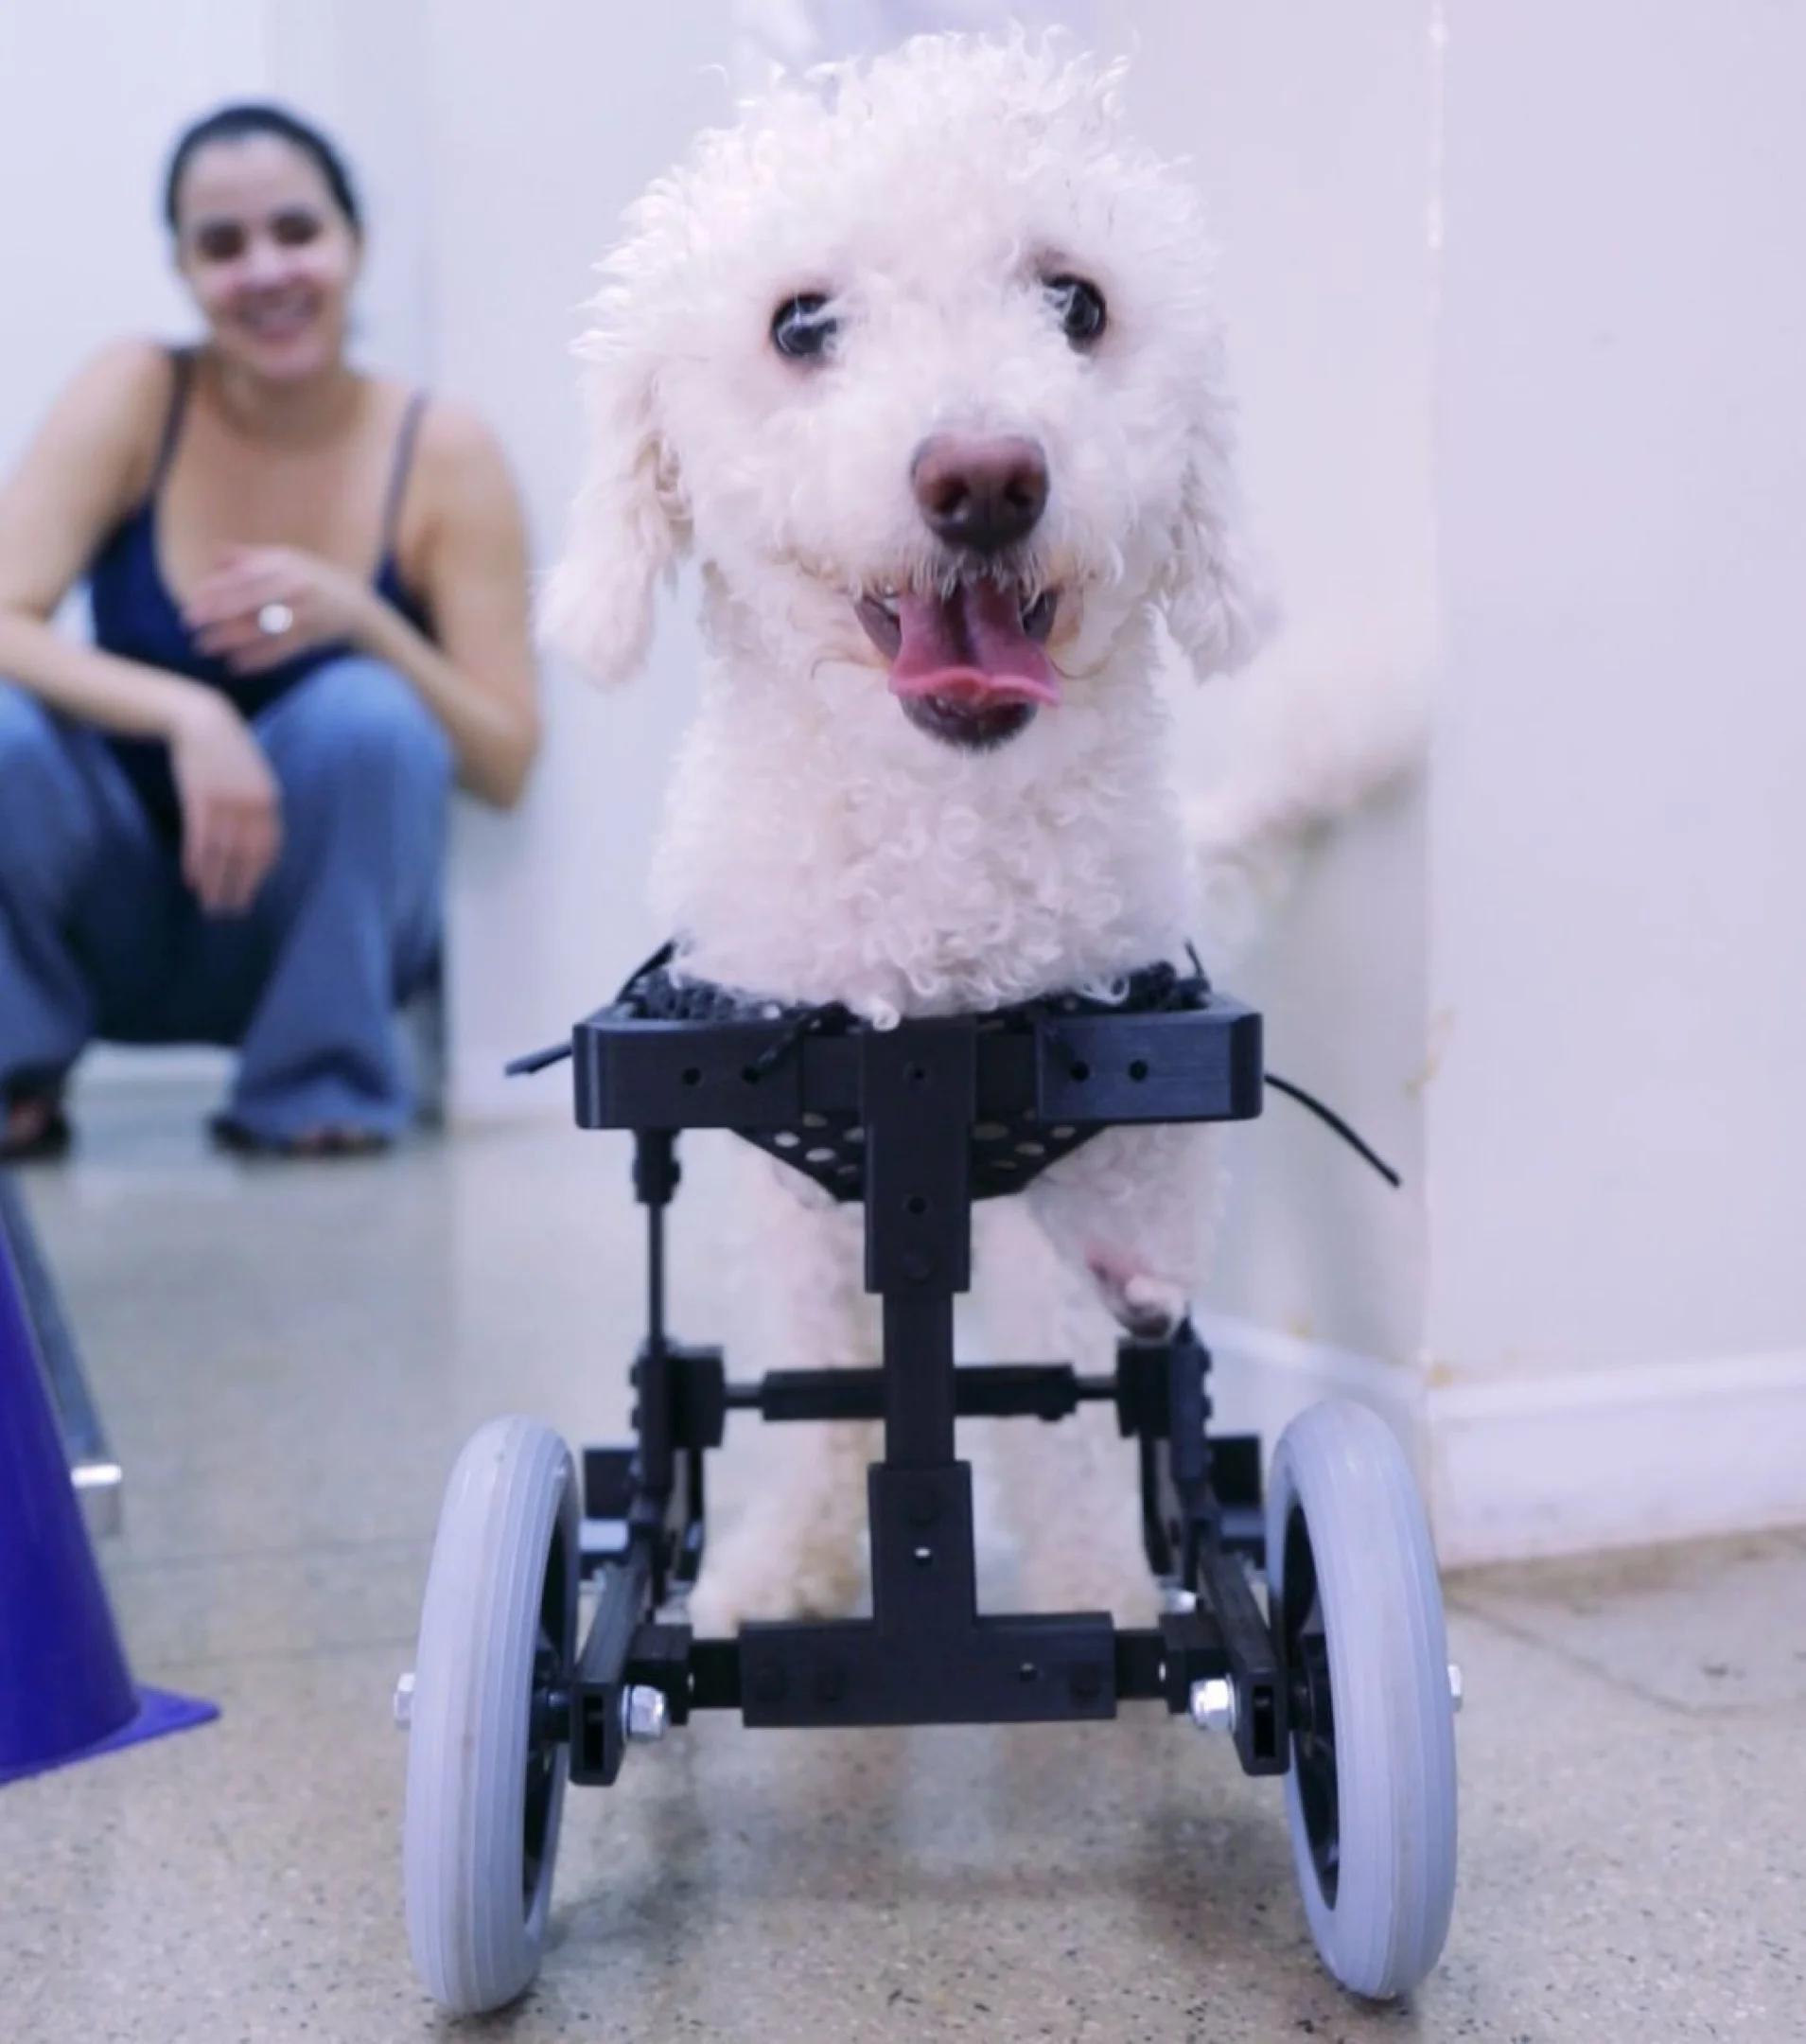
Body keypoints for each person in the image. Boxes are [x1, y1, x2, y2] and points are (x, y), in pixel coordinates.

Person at [0, 102, 538, 1160]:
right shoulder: (135, 391)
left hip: (304, 946)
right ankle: (14, 1075)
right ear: (185, 273)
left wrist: (368, 620)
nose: (265, 271)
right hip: (108, 914)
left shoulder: (444, 450)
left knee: (368, 717)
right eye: (222, 245)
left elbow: (505, 760)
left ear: (353, 243)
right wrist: (191, 712)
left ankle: (319, 1090)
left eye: (296, 231)